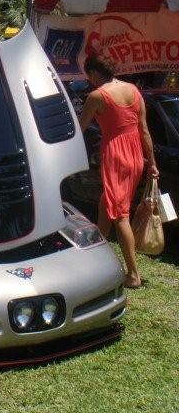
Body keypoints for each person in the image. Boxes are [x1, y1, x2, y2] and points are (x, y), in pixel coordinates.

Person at [80, 56, 159, 288]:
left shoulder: (97, 96)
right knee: (107, 203)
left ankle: (133, 274)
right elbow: (144, 131)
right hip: (136, 155)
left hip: (115, 155)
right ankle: (97, 260)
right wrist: (152, 163)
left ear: (94, 73)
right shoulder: (133, 90)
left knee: (120, 214)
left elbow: (80, 128)